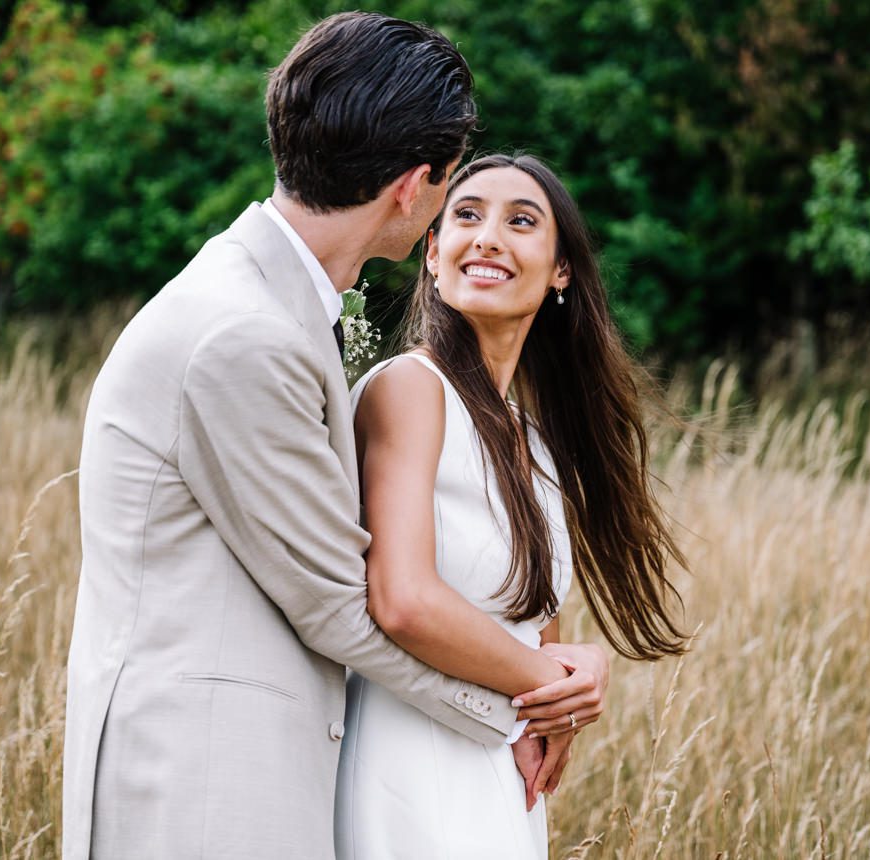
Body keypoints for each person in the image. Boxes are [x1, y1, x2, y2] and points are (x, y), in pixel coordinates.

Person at [61, 16, 602, 859]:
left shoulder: (278, 308)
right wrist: (537, 696)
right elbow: (344, 603)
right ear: (414, 188)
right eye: (457, 192)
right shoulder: (244, 333)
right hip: (197, 784)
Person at [335, 153, 689, 859]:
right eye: (465, 216)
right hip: (409, 765)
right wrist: (566, 681)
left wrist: (574, 670)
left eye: (521, 222)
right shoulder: (410, 388)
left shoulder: (536, 442)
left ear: (561, 270)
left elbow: (533, 619)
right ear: (433, 255)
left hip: (498, 767)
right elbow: (401, 598)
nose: (489, 236)